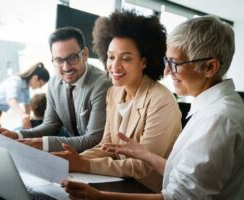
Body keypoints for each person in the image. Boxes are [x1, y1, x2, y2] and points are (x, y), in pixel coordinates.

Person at [61, 15, 244, 200]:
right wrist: (147, 155)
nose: (166, 71)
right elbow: (184, 176)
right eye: (167, 62)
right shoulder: (212, 108)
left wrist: (100, 196)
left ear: (210, 67)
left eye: (175, 63)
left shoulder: (218, 119)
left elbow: (180, 197)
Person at [54, 11, 181, 192]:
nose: (115, 66)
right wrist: (73, 159)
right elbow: (106, 146)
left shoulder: (162, 101)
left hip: (148, 191)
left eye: (126, 58)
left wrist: (82, 164)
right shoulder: (113, 92)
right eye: (111, 57)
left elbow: (142, 165)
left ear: (144, 62)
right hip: (116, 183)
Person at [0, 27, 112, 152]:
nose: (66, 67)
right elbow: (50, 125)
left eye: (72, 58)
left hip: (96, 155)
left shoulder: (102, 85)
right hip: (72, 154)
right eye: (59, 60)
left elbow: (93, 139)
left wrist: (43, 144)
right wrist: (17, 135)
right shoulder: (54, 83)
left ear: (85, 54)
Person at [0, 62, 49, 135]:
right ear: (35, 78)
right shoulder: (16, 80)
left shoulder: (26, 88)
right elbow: (11, 100)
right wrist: (23, 116)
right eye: (41, 84)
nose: (40, 87)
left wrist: (30, 122)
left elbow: (27, 107)